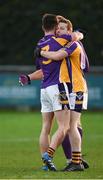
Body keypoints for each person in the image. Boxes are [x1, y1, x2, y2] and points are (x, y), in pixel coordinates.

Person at [19, 14, 84, 171]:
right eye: (59, 28)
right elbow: (76, 36)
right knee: (64, 126)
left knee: (46, 127)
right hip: (59, 87)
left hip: (44, 88)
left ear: (42, 28)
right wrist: (78, 34)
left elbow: (41, 70)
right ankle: (49, 155)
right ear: (56, 28)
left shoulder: (40, 44)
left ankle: (45, 165)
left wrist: (28, 77)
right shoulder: (62, 40)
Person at [39, 19, 89, 171]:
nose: (58, 31)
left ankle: (74, 161)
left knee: (71, 126)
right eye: (58, 28)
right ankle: (76, 159)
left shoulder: (72, 44)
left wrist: (40, 51)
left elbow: (58, 56)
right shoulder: (67, 41)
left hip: (77, 88)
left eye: (62, 28)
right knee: (72, 126)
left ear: (69, 31)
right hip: (72, 88)